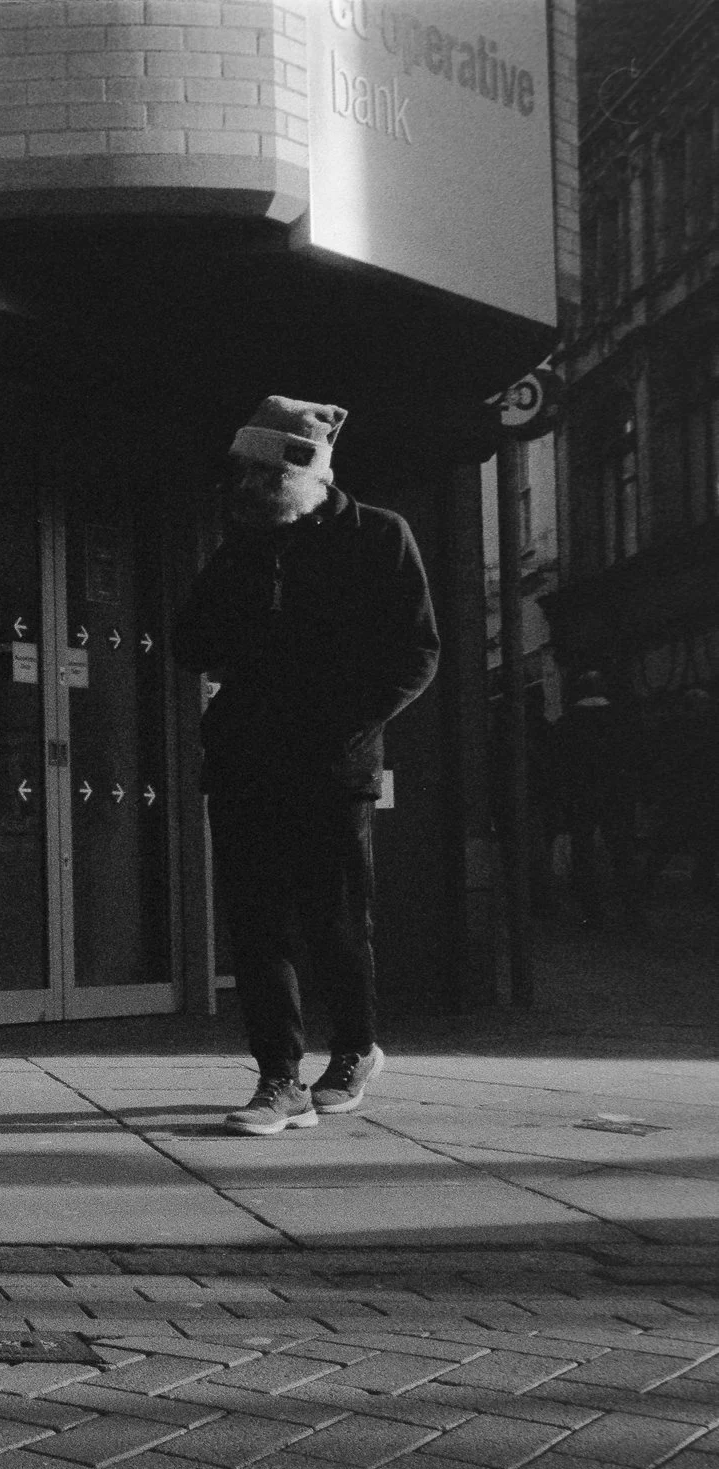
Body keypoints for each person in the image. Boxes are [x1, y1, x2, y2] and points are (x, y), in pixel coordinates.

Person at [172, 397, 439, 1136]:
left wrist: (349, 724)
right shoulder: (242, 546)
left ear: (302, 470)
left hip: (331, 763)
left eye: (261, 475)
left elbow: (418, 652)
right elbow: (189, 644)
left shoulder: (380, 535)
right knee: (257, 924)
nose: (247, 488)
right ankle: (278, 1079)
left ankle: (354, 1048)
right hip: (245, 759)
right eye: (242, 475)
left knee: (336, 918)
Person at [556, 671, 645, 928]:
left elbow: (561, 763)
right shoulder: (620, 718)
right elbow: (635, 755)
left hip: (582, 793)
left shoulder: (568, 722)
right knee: (621, 849)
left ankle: (593, 910)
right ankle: (632, 908)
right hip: (616, 791)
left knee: (583, 850)